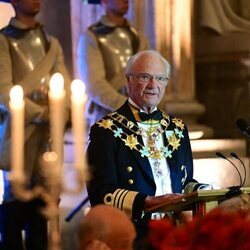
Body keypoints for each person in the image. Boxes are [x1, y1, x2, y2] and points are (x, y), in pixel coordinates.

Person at [86, 49, 207, 246]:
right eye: (145, 77)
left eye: (160, 78)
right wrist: (147, 202)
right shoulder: (107, 131)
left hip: (175, 234)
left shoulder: (177, 128)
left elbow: (185, 182)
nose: (153, 85)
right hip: (133, 236)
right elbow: (100, 194)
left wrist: (204, 191)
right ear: (128, 81)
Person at [0, 0, 70, 249]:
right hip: (18, 132)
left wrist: (61, 110)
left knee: (44, 206)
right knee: (14, 205)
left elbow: (64, 86)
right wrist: (40, 113)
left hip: (48, 135)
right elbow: (4, 90)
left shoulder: (51, 43)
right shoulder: (4, 41)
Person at [77, 0, 149, 129]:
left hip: (139, 119)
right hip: (106, 118)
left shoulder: (137, 36)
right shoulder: (92, 37)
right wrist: (127, 106)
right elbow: (94, 84)